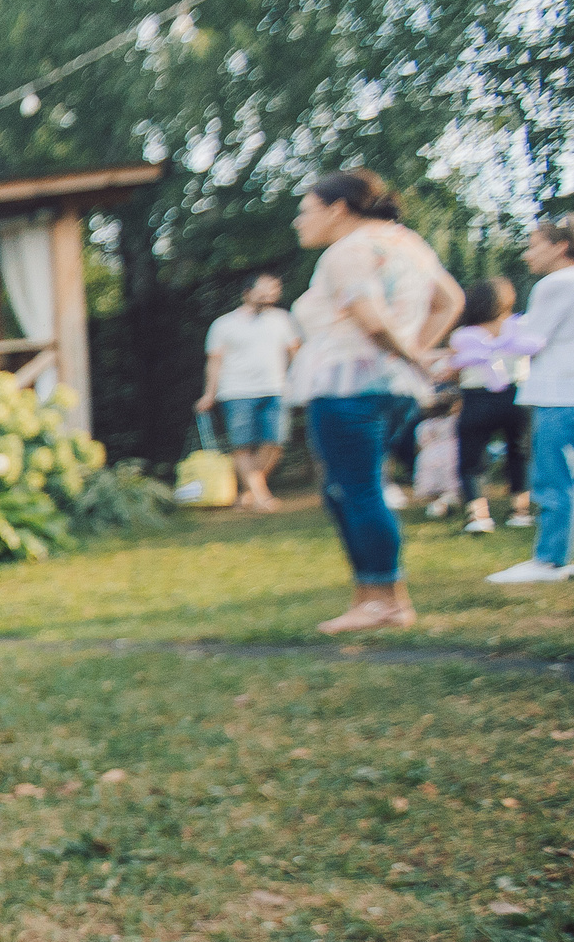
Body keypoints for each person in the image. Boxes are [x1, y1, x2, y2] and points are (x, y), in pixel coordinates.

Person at [284, 168, 462, 633]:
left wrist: (413, 356)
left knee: (356, 489)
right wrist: (415, 353)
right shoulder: (406, 243)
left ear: (337, 209)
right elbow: (450, 300)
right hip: (393, 388)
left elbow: (372, 320)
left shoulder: (347, 250)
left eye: (305, 211)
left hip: (348, 386)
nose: (298, 222)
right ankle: (372, 596)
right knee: (345, 488)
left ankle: (386, 600)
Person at [485, 214, 574, 583]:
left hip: (563, 391)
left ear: (560, 246)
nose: (527, 255)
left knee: (555, 476)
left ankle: (549, 560)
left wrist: (498, 339)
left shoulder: (555, 283)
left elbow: (531, 341)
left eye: (533, 245)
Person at [194, 272, 301, 511]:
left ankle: (249, 492)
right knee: (242, 446)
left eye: (273, 289)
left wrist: (302, 382)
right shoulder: (223, 324)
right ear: (246, 293)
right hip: (235, 392)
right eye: (263, 289)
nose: (269, 294)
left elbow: (295, 354)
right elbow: (214, 362)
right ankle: (261, 496)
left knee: (276, 443)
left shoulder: (283, 320)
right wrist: (209, 394)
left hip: (276, 389)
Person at [444, 278, 537, 535]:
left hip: (477, 399)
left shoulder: (462, 336)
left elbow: (453, 370)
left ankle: (478, 515)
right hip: (518, 397)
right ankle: (520, 511)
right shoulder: (521, 327)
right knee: (519, 453)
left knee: (471, 459)